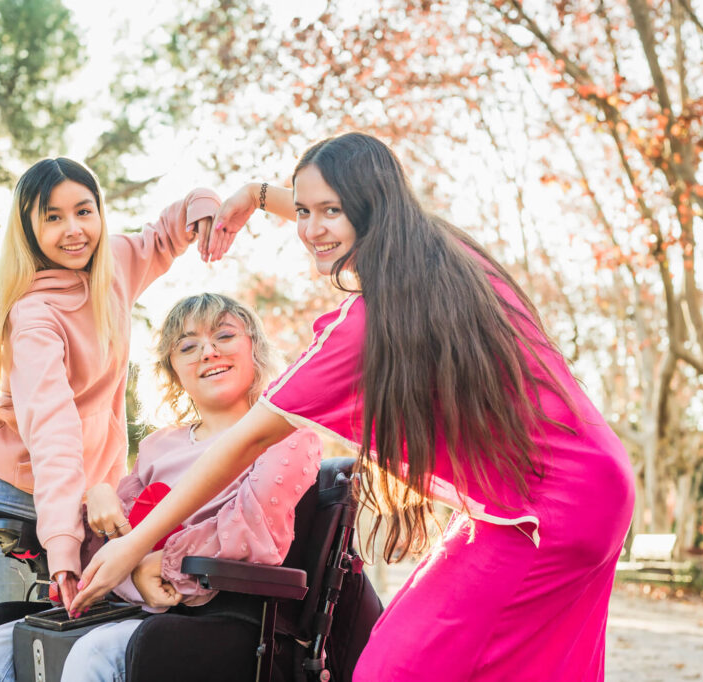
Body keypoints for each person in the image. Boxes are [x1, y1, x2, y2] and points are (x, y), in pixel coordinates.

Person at [70, 133, 636, 681]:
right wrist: (259, 196)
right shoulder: (448, 257)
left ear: (368, 209)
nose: (312, 228)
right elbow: (350, 210)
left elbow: (245, 442)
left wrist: (132, 546)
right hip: (594, 481)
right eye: (305, 210)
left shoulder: (363, 329)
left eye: (330, 212)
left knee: (395, 670)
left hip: (544, 512)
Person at [0, 293, 322, 682]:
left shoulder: (288, 437)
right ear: (173, 370)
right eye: (188, 346)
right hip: (133, 604)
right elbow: (109, 540)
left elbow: (251, 532)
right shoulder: (159, 445)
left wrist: (161, 564)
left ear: (255, 349)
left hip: (218, 614)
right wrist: (97, 495)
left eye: (224, 336)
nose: (208, 352)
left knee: (92, 654)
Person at [0, 157, 220, 632]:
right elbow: (53, 429)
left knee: (66, 648)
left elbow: (161, 237)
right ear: (28, 228)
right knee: (1, 645)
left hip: (86, 496)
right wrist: (62, 545)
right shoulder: (34, 315)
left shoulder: (112, 266)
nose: (73, 230)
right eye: (52, 217)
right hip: (13, 496)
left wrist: (200, 208)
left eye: (84, 211)